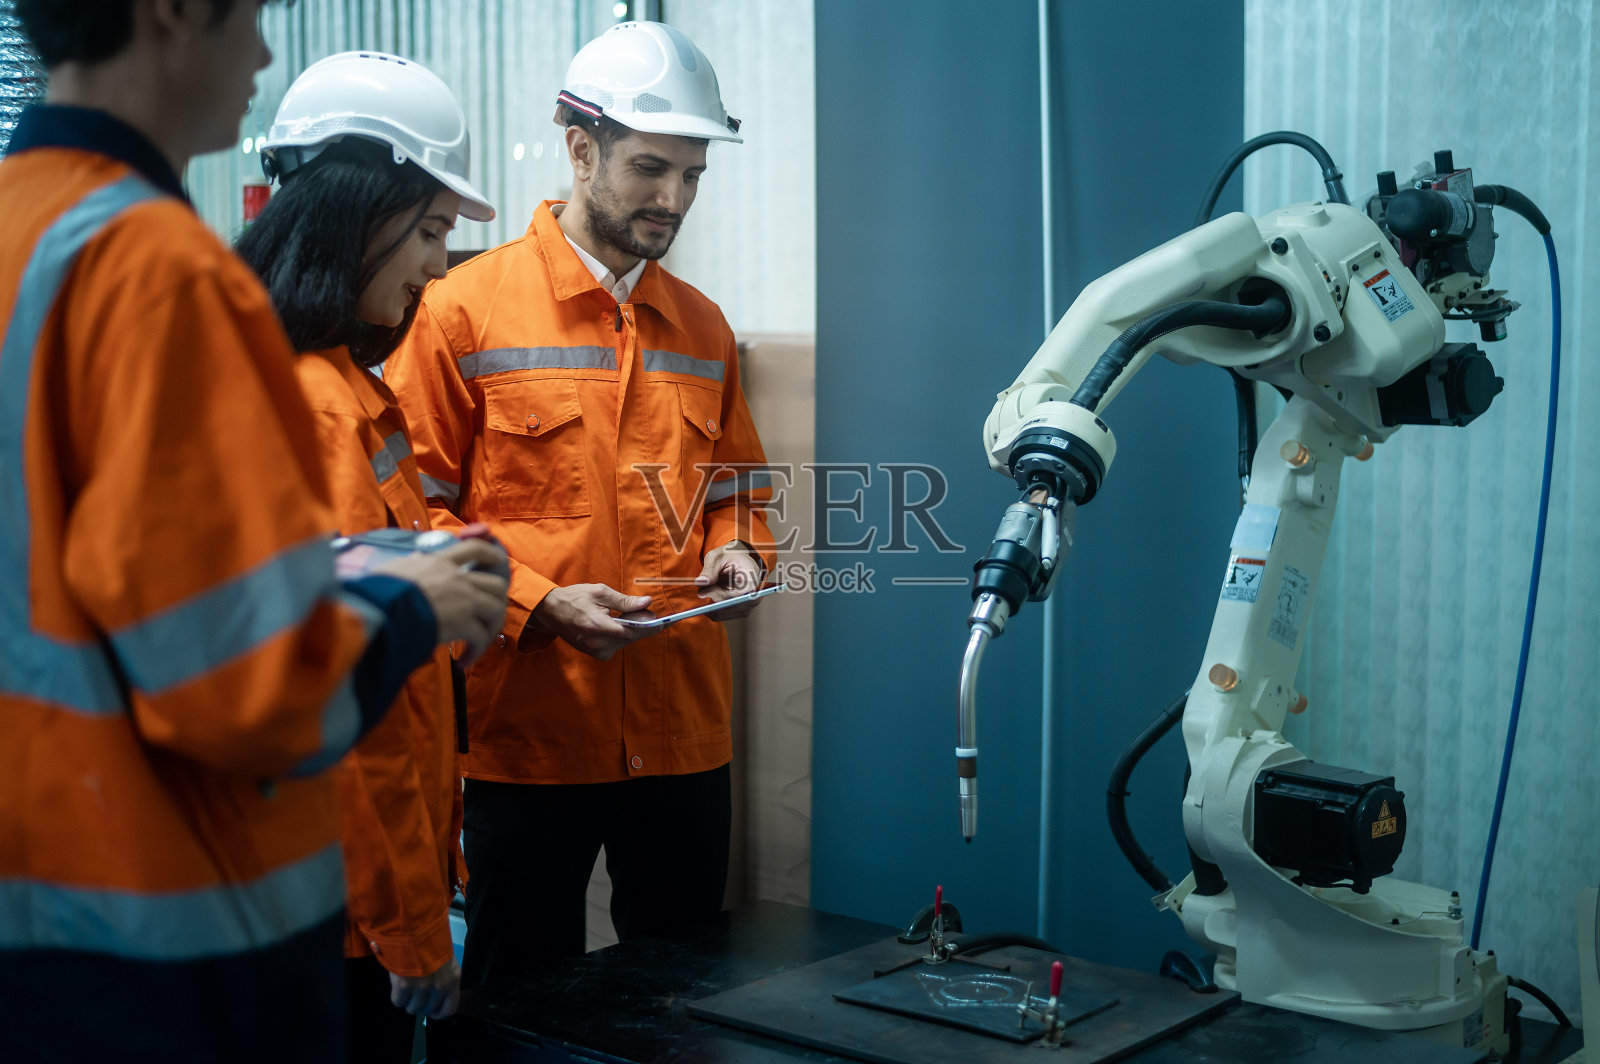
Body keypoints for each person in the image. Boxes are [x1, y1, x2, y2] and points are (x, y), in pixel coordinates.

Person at [0, 3, 507, 1062]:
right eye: (254, 18)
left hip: (48, 904)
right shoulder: (160, 274)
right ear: (175, 12)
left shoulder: (22, 230)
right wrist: (410, 604)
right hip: (181, 928)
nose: (266, 57)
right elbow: (241, 679)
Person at [385, 20, 775, 987]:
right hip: (527, 737)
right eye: (650, 168)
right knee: (520, 1000)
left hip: (684, 733)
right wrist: (536, 603)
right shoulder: (457, 311)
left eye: (692, 174)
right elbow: (403, 517)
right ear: (579, 147)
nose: (673, 198)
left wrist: (741, 550)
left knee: (682, 995)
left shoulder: (705, 327)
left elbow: (738, 487)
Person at [236, 51, 497, 1063]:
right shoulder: (313, 403)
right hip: (342, 910)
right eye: (429, 230)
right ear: (355, 209)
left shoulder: (344, 384)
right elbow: (359, 700)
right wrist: (411, 925)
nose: (438, 265)